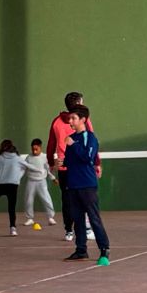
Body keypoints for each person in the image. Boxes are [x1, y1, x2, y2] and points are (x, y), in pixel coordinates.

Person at [60, 107, 110, 264]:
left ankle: (104, 250)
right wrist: (61, 162)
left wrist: (74, 144)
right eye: (70, 118)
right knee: (78, 219)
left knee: (94, 218)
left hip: (87, 185)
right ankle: (81, 250)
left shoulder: (89, 137)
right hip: (73, 184)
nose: (70, 121)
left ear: (83, 119)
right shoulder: (71, 138)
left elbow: (88, 157)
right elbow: (70, 161)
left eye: (73, 118)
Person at [47, 92, 93, 242]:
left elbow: (51, 145)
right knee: (83, 198)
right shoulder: (83, 120)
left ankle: (69, 231)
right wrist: (96, 163)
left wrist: (50, 162)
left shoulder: (56, 121)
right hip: (77, 168)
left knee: (67, 200)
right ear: (79, 103)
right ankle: (85, 229)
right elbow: (91, 140)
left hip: (64, 169)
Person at [20, 138, 57, 226]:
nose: (35, 151)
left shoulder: (45, 157)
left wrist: (53, 178)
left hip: (42, 181)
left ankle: (50, 217)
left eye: (36, 149)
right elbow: (23, 169)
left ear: (40, 148)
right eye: (33, 149)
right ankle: (30, 218)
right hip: (31, 181)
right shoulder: (28, 158)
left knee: (46, 199)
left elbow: (48, 170)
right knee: (28, 200)